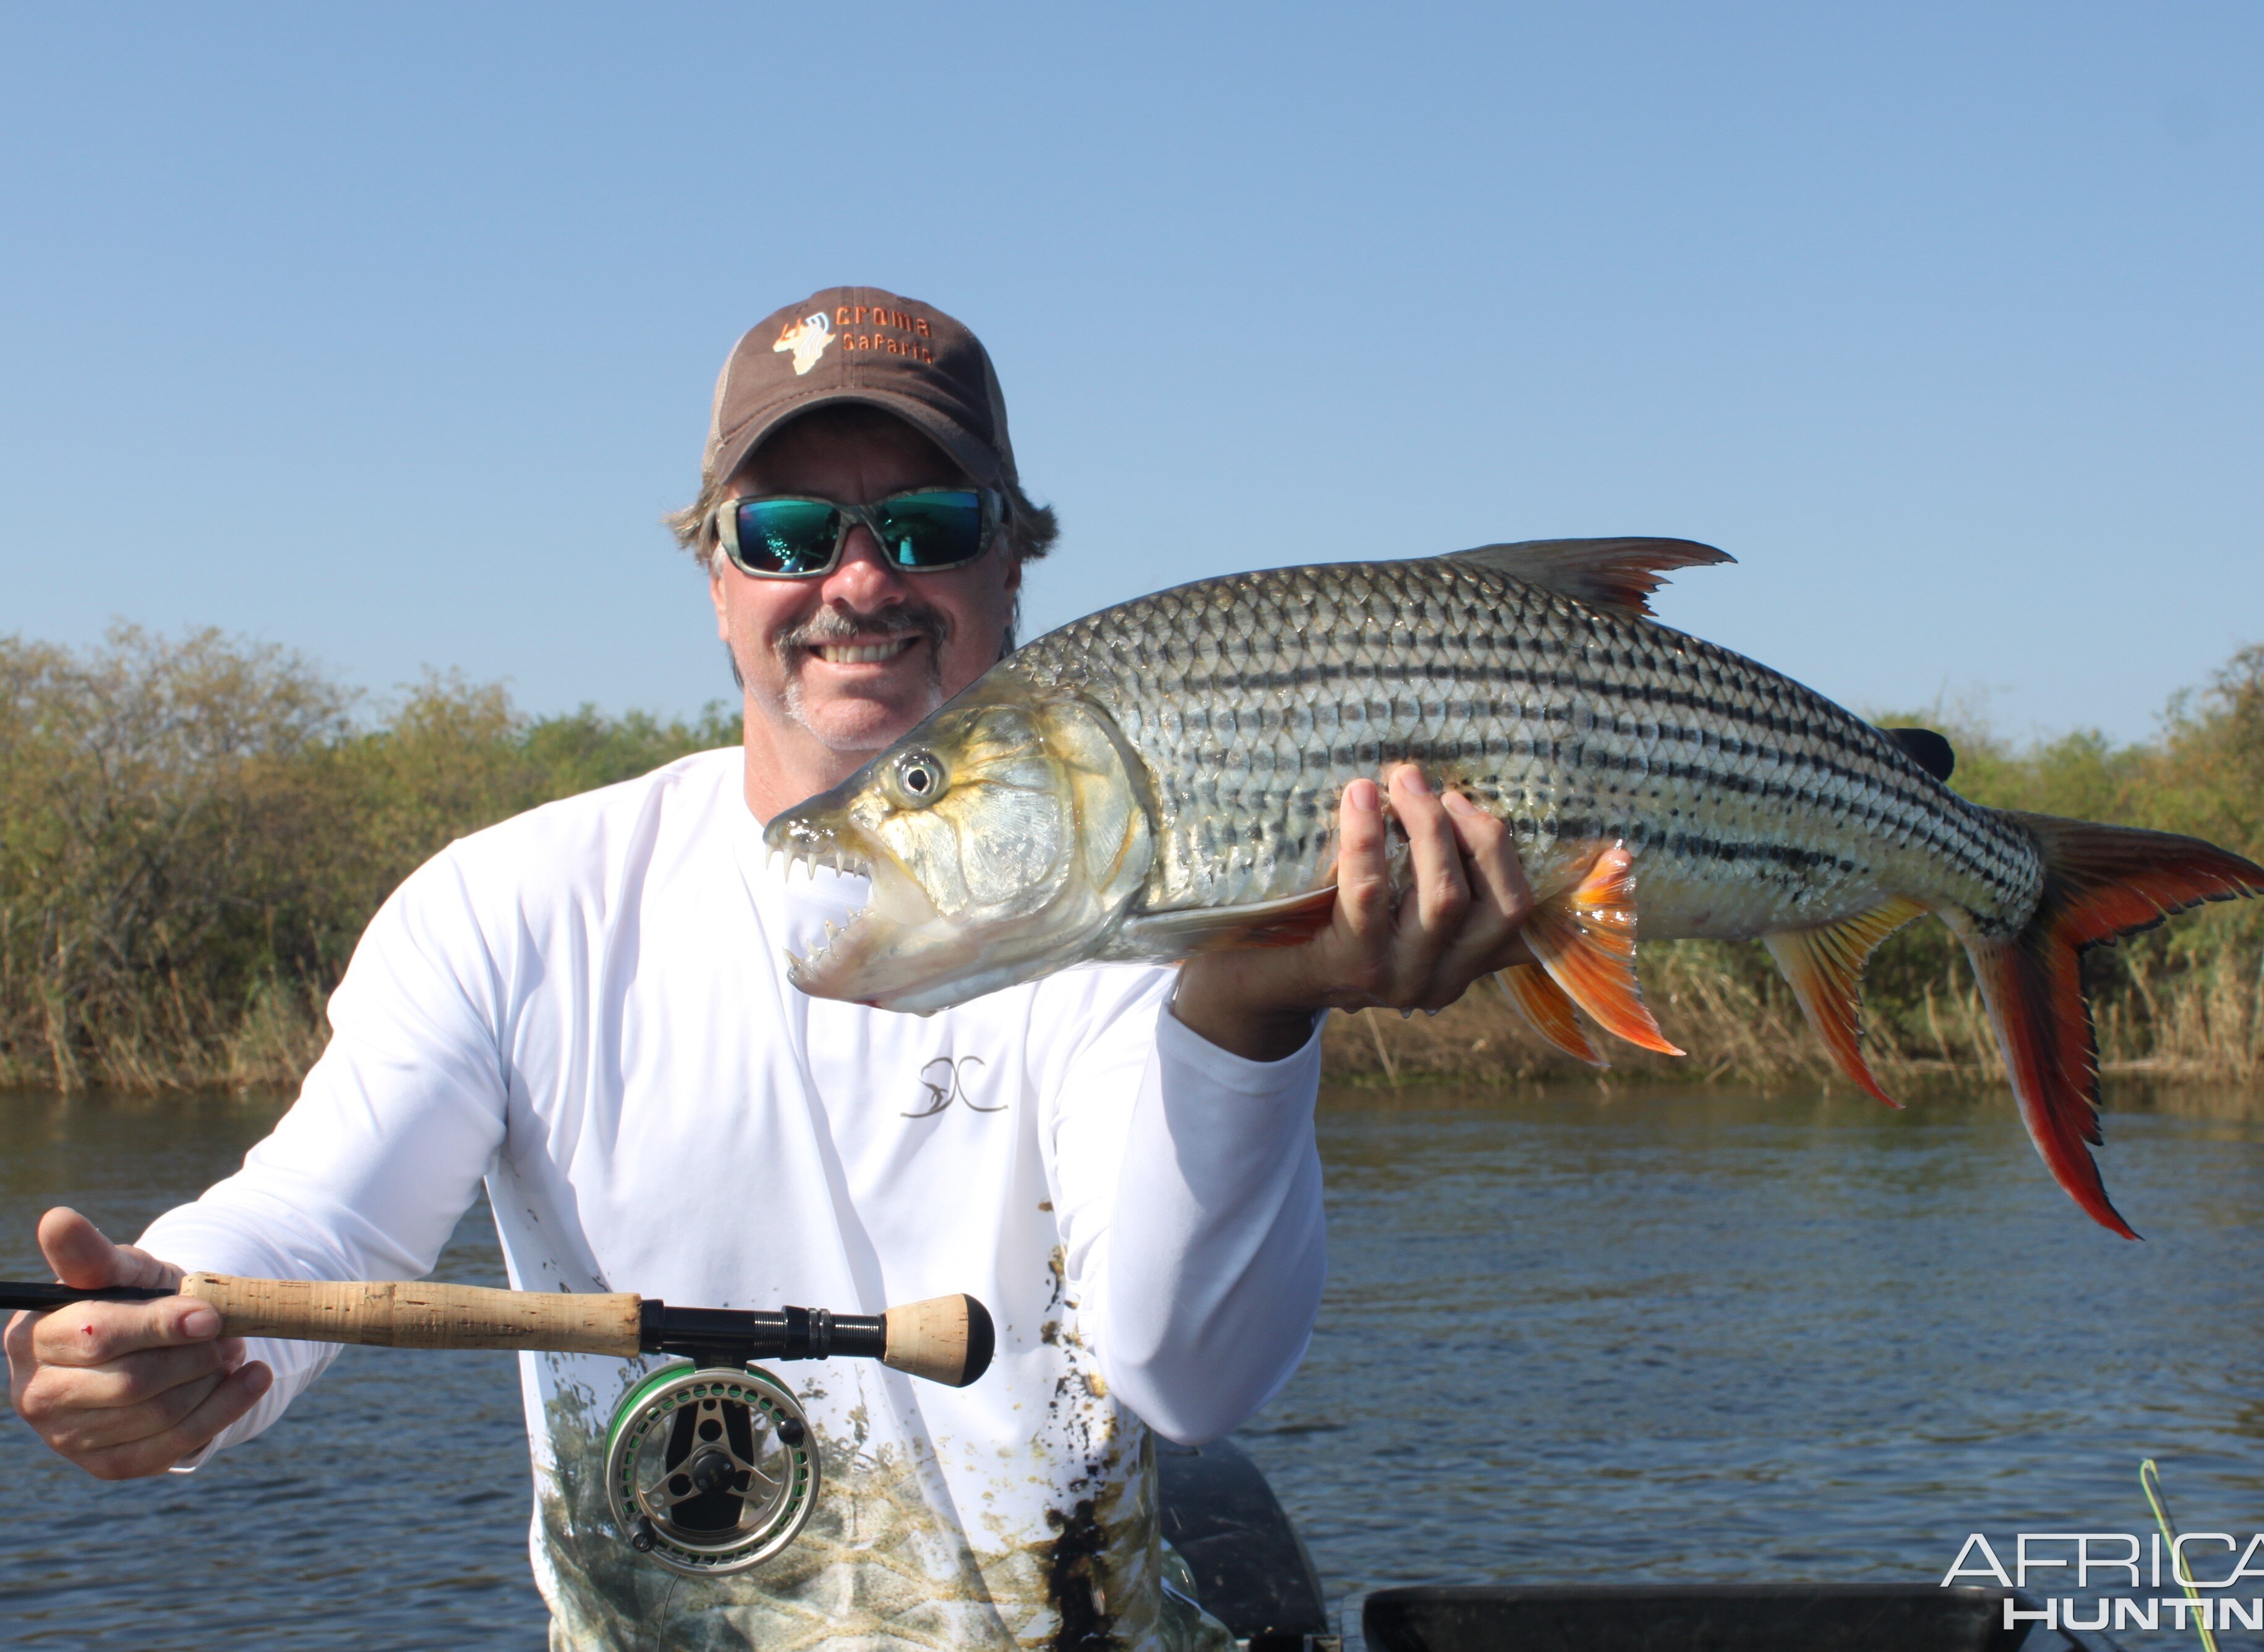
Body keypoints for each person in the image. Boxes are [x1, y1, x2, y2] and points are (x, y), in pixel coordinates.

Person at [6, 288, 1535, 1650]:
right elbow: (321, 1217)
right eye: (789, 534)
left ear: (1015, 567)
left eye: (926, 523)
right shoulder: (512, 899)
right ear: (720, 575)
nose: (857, 581)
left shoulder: (1146, 913)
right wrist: (174, 1324)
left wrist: (1256, 1008)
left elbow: (1188, 1381)